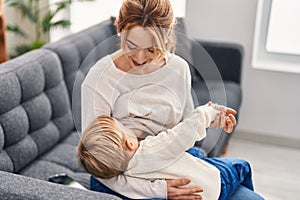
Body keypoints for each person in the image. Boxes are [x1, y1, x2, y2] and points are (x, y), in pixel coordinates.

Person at [81, 0, 264, 199]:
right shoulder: (100, 78)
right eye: (131, 45)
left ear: (168, 36)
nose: (140, 58)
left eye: (152, 49)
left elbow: (184, 129)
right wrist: (159, 189)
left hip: (170, 161)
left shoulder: (178, 68)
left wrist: (210, 117)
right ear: (119, 28)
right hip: (122, 181)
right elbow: (98, 158)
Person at [78, 103, 255, 200]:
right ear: (130, 143)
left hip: (193, 195)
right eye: (124, 127)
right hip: (214, 187)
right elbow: (185, 132)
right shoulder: (151, 149)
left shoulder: (121, 172)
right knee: (241, 166)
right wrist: (208, 111)